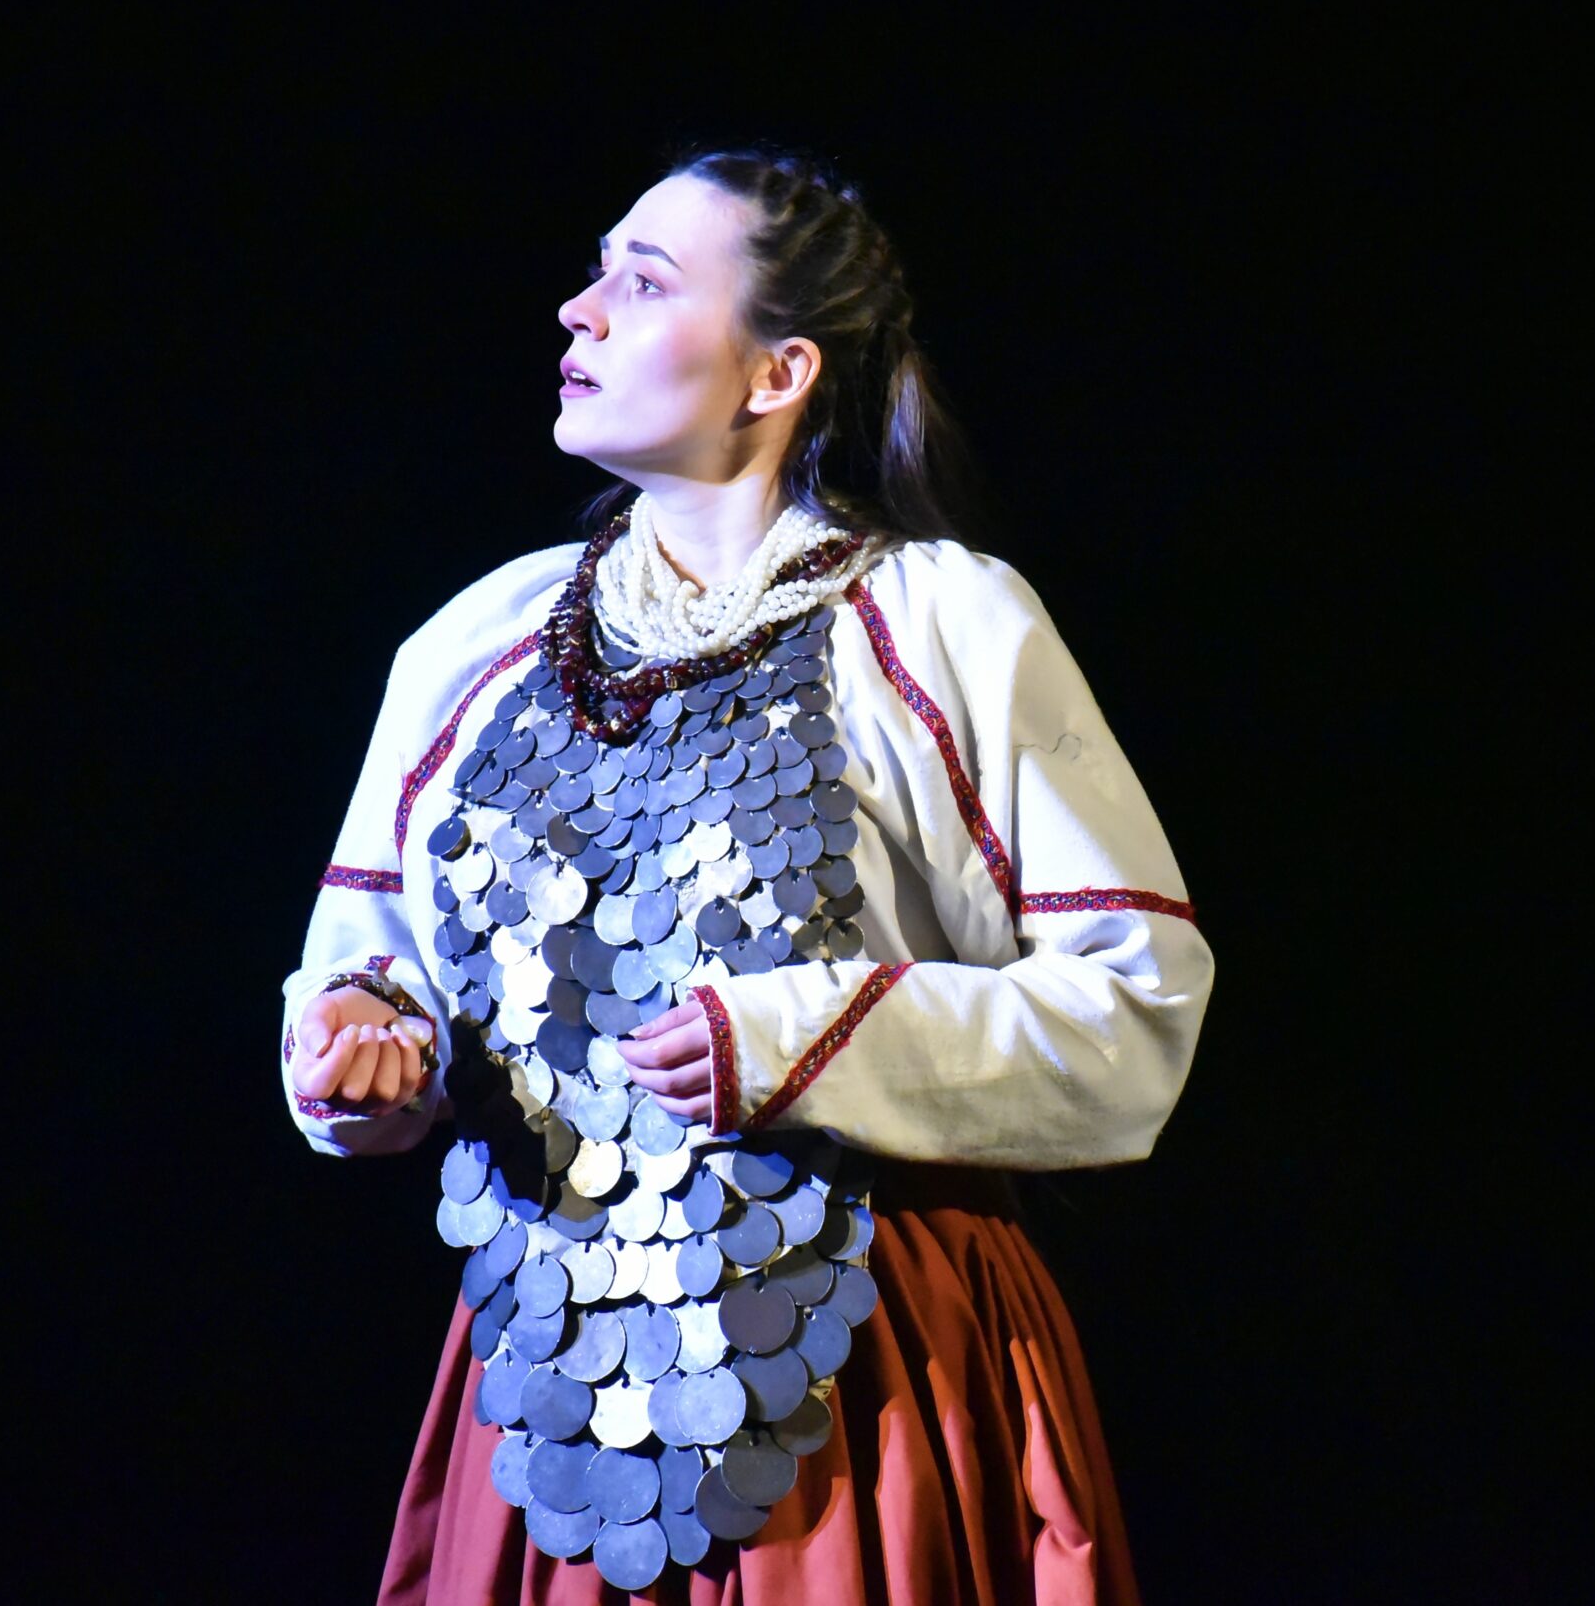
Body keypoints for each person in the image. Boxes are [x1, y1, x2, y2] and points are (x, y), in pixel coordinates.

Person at [277, 147, 1214, 1606]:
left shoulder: (935, 622)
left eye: (645, 282)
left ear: (778, 373)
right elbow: (370, 961)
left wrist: (798, 1038)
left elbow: (1134, 1010)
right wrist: (365, 1045)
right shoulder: (475, 645)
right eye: (598, 272)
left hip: (864, 1359)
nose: (581, 310)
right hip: (555, 1372)